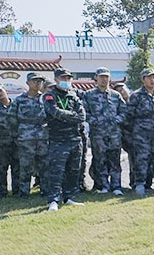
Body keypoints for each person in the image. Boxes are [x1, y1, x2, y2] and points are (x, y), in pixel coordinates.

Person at [42, 68, 86, 211]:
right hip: (58, 140)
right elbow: (54, 112)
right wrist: (71, 116)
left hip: (75, 139)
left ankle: (69, 197)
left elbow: (82, 116)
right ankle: (53, 200)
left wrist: (65, 116)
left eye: (68, 78)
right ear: (56, 79)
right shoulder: (49, 95)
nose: (66, 81)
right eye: (63, 78)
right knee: (56, 171)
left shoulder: (73, 96)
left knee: (73, 170)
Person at [82, 67, 127, 196]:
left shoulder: (115, 95)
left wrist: (117, 119)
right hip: (98, 134)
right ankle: (103, 186)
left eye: (106, 77)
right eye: (101, 77)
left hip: (114, 134)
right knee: (99, 160)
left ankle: (116, 186)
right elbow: (84, 112)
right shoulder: (89, 95)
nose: (104, 79)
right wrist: (95, 120)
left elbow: (124, 111)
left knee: (115, 160)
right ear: (96, 78)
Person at [127, 68, 154, 196]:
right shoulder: (136, 96)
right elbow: (129, 116)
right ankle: (140, 183)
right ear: (143, 80)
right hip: (141, 134)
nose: (152, 80)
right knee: (141, 158)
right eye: (149, 77)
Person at [11, 73, 49, 197]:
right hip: (25, 138)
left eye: (40, 81)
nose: (38, 83)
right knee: (25, 166)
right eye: (35, 81)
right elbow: (12, 119)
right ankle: (24, 192)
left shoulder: (46, 99)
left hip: (43, 137)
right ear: (28, 83)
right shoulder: (20, 99)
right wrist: (16, 136)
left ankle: (45, 190)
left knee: (44, 165)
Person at [0, 83, 19, 198]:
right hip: (0, 144)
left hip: (16, 143)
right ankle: (1, 192)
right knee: (1, 169)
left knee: (17, 168)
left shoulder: (16, 106)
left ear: (5, 90)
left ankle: (17, 191)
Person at [114, 82, 135, 188]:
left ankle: (134, 182)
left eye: (123, 89)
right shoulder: (115, 104)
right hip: (119, 135)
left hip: (135, 136)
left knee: (135, 160)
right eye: (118, 91)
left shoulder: (135, 101)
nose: (121, 92)